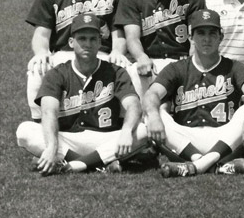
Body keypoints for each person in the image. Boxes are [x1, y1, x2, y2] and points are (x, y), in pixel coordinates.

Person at [16, 13, 147, 175]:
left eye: (93, 39)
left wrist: (126, 131)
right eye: (82, 39)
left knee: (142, 130)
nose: (88, 44)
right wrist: (52, 146)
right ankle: (100, 163)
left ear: (100, 42)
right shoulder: (58, 73)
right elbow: (49, 112)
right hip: (69, 139)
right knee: (24, 131)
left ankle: (75, 164)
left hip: (105, 138)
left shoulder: (115, 71)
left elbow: (133, 105)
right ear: (71, 42)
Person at [143, 9, 244, 177]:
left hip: (224, 137)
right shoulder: (177, 68)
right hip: (185, 138)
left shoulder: (234, 67)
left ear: (220, 37)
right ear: (190, 37)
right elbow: (151, 95)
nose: (206, 39)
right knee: (152, 113)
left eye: (212, 33)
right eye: (200, 33)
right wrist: (154, 116)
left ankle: (196, 166)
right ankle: (211, 165)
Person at [25, 0, 126, 120]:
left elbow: (118, 32)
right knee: (36, 67)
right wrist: (41, 52)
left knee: (129, 69)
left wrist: (118, 52)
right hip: (63, 55)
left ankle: (124, 127)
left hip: (101, 55)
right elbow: (41, 34)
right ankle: (40, 124)